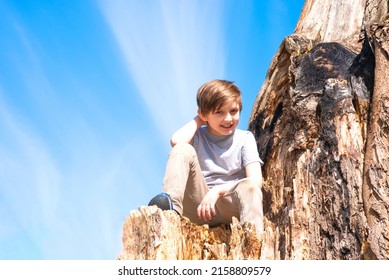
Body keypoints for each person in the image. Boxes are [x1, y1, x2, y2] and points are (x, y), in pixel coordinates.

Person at [148, 79, 264, 235]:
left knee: (250, 186)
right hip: (198, 206)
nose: (228, 118)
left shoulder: (245, 138)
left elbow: (255, 181)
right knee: (182, 148)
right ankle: (170, 210)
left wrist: (216, 191)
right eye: (219, 112)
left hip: (230, 205)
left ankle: (254, 240)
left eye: (233, 111)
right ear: (204, 114)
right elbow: (176, 141)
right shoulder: (197, 136)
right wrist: (199, 120)